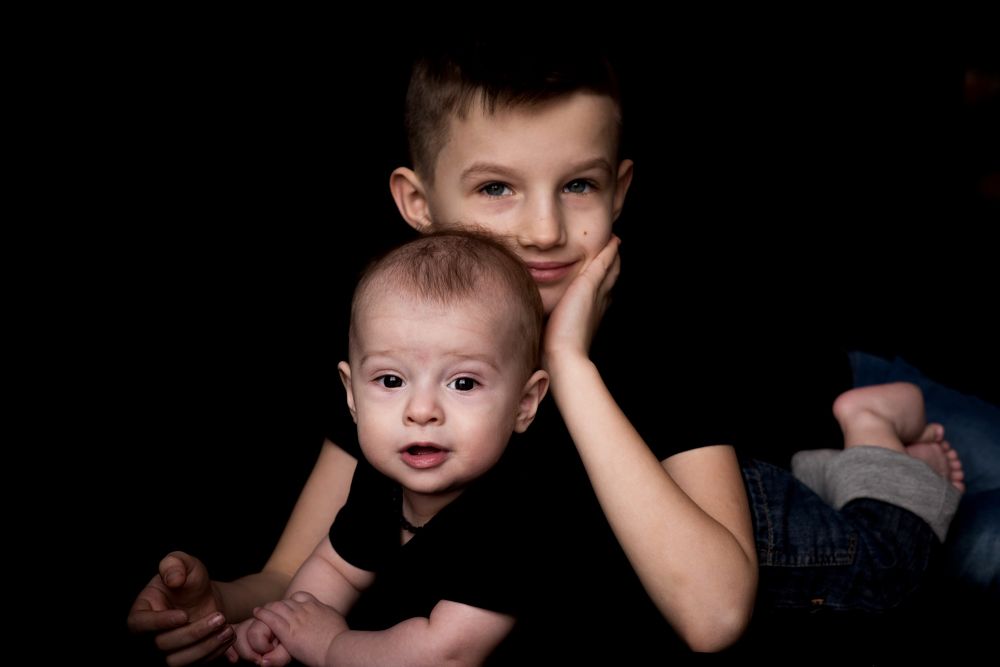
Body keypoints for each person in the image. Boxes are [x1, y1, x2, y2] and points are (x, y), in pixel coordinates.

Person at [127, 39, 999, 663]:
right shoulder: (406, 344)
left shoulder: (656, 335)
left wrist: (571, 363)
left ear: (619, 188)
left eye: (577, 184)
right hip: (812, 486)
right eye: (496, 188)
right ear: (417, 201)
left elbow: (714, 613)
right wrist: (217, 603)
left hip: (825, 401)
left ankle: (877, 431)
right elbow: (292, 571)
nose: (544, 229)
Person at [229, 231, 549, 666]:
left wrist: (328, 646)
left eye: (463, 383)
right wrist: (282, 626)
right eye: (391, 380)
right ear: (351, 395)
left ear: (524, 404)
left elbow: (445, 654)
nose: (421, 411)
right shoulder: (380, 479)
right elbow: (337, 569)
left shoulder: (514, 516)